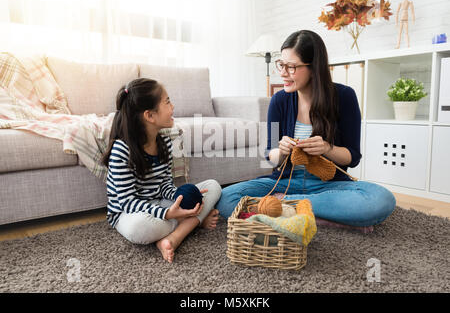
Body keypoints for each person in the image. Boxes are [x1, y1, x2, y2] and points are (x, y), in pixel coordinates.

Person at [216, 30, 396, 229]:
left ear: (314, 68)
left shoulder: (344, 97)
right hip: (285, 183)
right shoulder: (279, 101)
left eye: (291, 67)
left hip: (328, 187)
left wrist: (327, 149)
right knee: (226, 198)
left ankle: (286, 208)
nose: (283, 73)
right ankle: (318, 216)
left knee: (381, 199)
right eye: (281, 65)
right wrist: (281, 150)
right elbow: (270, 157)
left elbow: (352, 158)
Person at [102, 78, 221, 263]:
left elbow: (165, 184)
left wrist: (180, 198)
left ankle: (174, 236)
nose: (172, 107)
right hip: (129, 214)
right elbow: (127, 203)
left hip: (160, 202)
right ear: (150, 116)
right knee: (140, 229)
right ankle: (192, 223)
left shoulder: (164, 142)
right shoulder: (121, 150)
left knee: (212, 186)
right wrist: (168, 214)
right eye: (167, 102)